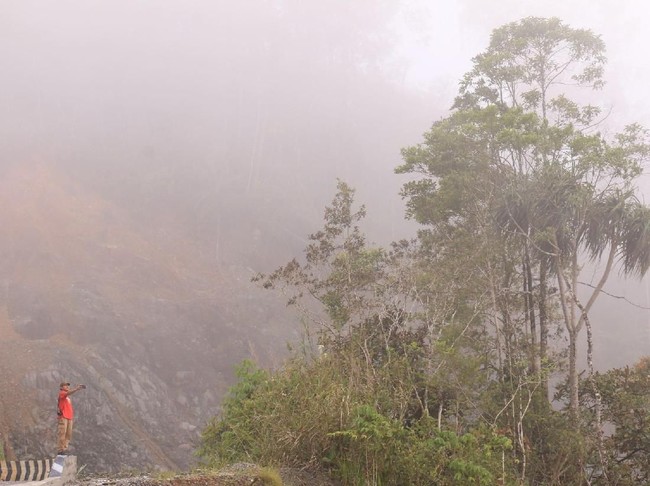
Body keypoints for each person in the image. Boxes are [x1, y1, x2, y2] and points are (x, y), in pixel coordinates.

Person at [56, 382, 85, 455]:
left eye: (68, 386)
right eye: (65, 385)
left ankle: (64, 449)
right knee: (62, 433)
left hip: (69, 417)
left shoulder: (67, 398)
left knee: (68, 434)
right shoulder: (62, 393)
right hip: (63, 417)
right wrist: (76, 389)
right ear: (61, 387)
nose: (67, 387)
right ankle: (60, 450)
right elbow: (68, 393)